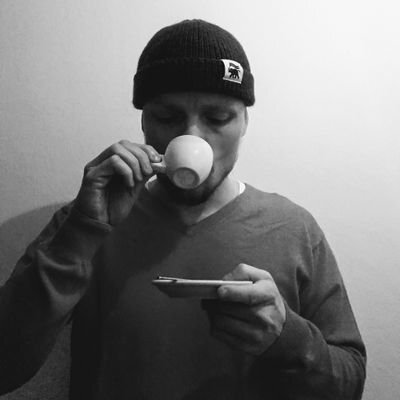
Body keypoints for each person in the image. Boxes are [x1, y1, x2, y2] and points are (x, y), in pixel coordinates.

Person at [0, 19, 366, 399]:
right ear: (143, 121)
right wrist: (81, 233)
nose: (191, 137)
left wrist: (287, 338)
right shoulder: (88, 221)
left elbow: (350, 382)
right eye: (167, 117)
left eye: (218, 118)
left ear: (244, 122)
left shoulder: (293, 229)